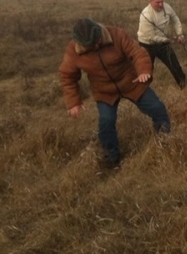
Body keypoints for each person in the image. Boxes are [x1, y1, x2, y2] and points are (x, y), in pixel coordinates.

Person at [59, 18, 171, 168]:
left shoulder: (115, 34)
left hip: (131, 82)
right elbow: (67, 76)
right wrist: (74, 102)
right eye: (90, 45)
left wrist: (143, 71)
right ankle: (112, 158)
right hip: (104, 90)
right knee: (106, 122)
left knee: (157, 108)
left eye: (96, 41)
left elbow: (138, 52)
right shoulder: (74, 50)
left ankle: (164, 142)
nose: (96, 46)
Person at [137, 0, 187, 89]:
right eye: (157, 2)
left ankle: (186, 88)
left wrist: (180, 34)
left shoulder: (167, 7)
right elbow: (151, 37)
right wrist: (167, 40)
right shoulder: (146, 15)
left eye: (162, 1)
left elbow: (175, 19)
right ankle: (143, 93)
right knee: (147, 71)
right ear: (150, 1)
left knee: (175, 66)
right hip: (147, 44)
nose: (160, 5)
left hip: (163, 43)